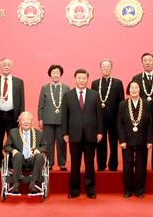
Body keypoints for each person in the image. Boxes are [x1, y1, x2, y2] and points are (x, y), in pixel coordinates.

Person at [62, 68, 103, 199]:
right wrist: (65, 133)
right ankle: (74, 190)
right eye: (79, 78)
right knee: (75, 164)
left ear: (87, 79)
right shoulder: (68, 95)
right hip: (74, 135)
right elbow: (64, 116)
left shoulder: (94, 94)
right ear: (75, 79)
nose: (81, 80)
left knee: (90, 164)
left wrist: (100, 132)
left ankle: (90, 190)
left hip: (91, 135)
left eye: (84, 78)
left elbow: (99, 115)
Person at [117, 81, 153, 198]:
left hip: (142, 140)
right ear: (129, 90)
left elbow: (149, 123)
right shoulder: (123, 104)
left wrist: (149, 140)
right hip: (126, 141)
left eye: (136, 87)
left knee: (141, 166)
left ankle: (139, 190)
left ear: (139, 89)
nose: (134, 90)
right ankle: (127, 190)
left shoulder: (146, 104)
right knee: (127, 166)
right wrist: (122, 140)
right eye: (132, 88)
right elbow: (120, 123)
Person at [132, 53, 153, 171]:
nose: (147, 62)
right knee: (141, 139)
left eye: (150, 60)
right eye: (145, 60)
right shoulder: (136, 78)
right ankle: (139, 165)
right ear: (142, 63)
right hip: (142, 115)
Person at [0, 58, 25, 171]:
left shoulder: (19, 82)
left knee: (13, 140)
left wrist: (22, 115)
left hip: (12, 115)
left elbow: (22, 100)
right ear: (0, 66)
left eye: (8, 64)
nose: (6, 66)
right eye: (4, 64)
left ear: (11, 66)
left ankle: (11, 163)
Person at [3, 111, 47, 194]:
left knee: (39, 156)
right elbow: (6, 147)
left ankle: (32, 184)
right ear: (19, 122)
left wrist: (39, 150)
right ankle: (16, 185)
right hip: (18, 161)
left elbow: (45, 146)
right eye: (23, 120)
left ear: (31, 121)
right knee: (18, 155)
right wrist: (13, 150)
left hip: (33, 160)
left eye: (28, 120)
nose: (26, 122)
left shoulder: (39, 133)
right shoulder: (13, 132)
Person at [92, 59, 124, 172]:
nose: (106, 68)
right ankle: (101, 165)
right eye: (104, 66)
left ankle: (113, 165)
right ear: (100, 68)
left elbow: (122, 102)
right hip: (99, 120)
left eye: (108, 66)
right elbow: (92, 102)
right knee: (100, 143)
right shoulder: (95, 83)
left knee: (114, 143)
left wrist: (121, 119)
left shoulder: (118, 83)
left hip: (114, 119)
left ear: (111, 68)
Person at [38, 64, 70, 171]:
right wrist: (40, 119)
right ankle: (49, 163)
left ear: (60, 74)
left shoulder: (66, 88)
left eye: (58, 73)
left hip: (62, 120)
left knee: (62, 143)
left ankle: (62, 163)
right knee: (48, 143)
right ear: (50, 74)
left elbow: (69, 106)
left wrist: (68, 120)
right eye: (53, 73)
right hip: (47, 120)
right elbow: (41, 105)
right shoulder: (45, 88)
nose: (56, 75)